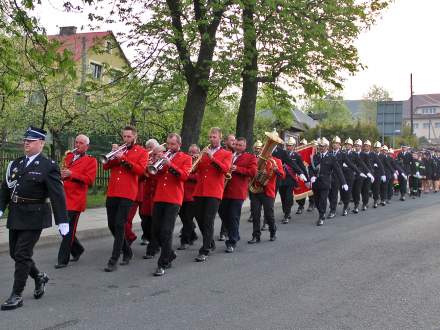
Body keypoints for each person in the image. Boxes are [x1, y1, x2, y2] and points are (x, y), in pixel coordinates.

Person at [0, 127, 69, 311]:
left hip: (35, 215)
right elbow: (5, 188)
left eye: (30, 141)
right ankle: (39, 277)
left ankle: (16, 294)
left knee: (22, 254)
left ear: (41, 143)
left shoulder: (48, 166)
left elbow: (57, 194)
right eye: (25, 141)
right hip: (16, 213)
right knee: (15, 253)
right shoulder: (16, 164)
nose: (26, 143)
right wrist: (0, 208)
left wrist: (63, 220)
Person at [103, 126, 148, 272]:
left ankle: (114, 259)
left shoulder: (141, 152)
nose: (126, 139)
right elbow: (106, 166)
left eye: (129, 137)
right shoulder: (119, 150)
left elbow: (140, 170)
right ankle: (127, 251)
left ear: (135, 137)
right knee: (111, 224)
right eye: (124, 136)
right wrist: (113, 153)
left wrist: (123, 159)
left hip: (128, 193)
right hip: (113, 191)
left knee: (119, 224)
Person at [145, 133, 192, 276]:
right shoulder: (162, 156)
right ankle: (170, 253)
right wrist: (153, 163)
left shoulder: (186, 158)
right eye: (168, 144)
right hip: (159, 197)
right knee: (156, 231)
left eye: (172, 144)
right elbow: (154, 176)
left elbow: (184, 176)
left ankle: (162, 263)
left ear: (179, 145)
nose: (169, 147)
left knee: (166, 231)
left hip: (174, 199)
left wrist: (170, 164)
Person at [55, 134, 97, 268]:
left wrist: (72, 175)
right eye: (76, 142)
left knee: (68, 229)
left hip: (76, 199)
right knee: (63, 229)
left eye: (80, 143)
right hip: (63, 197)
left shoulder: (91, 161)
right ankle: (77, 249)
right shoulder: (69, 156)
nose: (77, 145)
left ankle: (62, 260)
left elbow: (90, 180)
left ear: (87, 146)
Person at [193, 127, 232, 262]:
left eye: (214, 137)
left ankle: (205, 250)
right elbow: (194, 170)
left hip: (214, 191)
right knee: (199, 218)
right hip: (199, 190)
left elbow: (225, 169)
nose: (211, 139)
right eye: (210, 137)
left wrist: (212, 157)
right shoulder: (204, 153)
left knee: (208, 220)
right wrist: (195, 160)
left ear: (220, 138)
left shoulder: (226, 153)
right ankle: (210, 242)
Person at [218, 137, 257, 252]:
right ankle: (234, 234)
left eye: (240, 145)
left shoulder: (250, 157)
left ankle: (232, 242)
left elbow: (253, 172)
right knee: (222, 213)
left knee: (233, 216)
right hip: (224, 190)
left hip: (238, 192)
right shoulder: (228, 154)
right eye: (236, 144)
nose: (238, 147)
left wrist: (237, 168)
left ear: (245, 146)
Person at [248, 147, 285, 243]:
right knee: (255, 214)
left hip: (268, 191)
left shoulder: (276, 161)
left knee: (269, 214)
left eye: (268, 150)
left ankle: (273, 232)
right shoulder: (257, 160)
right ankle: (256, 236)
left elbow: (282, 175)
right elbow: (251, 172)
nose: (265, 151)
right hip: (256, 190)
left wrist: (276, 170)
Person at [309, 138, 347, 226]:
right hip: (316, 182)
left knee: (323, 200)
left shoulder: (331, 157)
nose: (321, 148)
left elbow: (338, 170)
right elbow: (310, 168)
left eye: (323, 146)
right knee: (317, 201)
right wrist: (311, 177)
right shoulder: (315, 156)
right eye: (320, 146)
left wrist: (344, 182)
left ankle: (321, 216)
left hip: (325, 182)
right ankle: (321, 212)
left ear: (327, 147)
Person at [278, 137, 308, 223]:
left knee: (288, 197)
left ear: (294, 146)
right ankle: (286, 212)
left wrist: (307, 179)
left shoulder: (297, 156)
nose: (288, 147)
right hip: (281, 178)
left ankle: (287, 215)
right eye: (287, 145)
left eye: (290, 145)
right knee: (283, 197)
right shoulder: (282, 154)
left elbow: (301, 168)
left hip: (291, 179)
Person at [328, 136, 360, 217]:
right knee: (332, 194)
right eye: (334, 143)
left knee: (345, 193)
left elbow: (351, 164)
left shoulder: (342, 154)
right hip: (332, 177)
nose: (335, 145)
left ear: (339, 145)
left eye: (337, 143)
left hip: (344, 176)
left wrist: (358, 172)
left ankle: (345, 207)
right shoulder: (329, 153)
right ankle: (333, 208)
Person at [178, 144, 200, 250]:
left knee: (187, 218)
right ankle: (193, 235)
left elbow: (198, 177)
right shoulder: (186, 161)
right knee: (183, 217)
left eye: (194, 152)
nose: (192, 154)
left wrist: (186, 175)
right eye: (190, 152)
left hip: (192, 196)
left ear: (198, 153)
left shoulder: (200, 163)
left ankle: (184, 240)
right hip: (182, 195)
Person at [139, 139, 160, 245]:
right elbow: (141, 177)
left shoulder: (161, 159)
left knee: (155, 220)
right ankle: (146, 235)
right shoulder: (146, 159)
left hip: (157, 194)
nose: (150, 150)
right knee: (144, 219)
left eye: (151, 147)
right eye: (148, 147)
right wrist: (145, 168)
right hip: (147, 194)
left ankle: (153, 242)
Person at [218, 134, 236, 241]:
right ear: (225, 142)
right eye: (231, 140)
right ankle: (226, 229)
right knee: (221, 209)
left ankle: (224, 231)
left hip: (232, 185)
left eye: (234, 140)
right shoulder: (222, 152)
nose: (234, 142)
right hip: (221, 183)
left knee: (229, 210)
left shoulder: (237, 153)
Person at [346, 139, 370, 214]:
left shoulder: (364, 155)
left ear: (361, 146)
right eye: (355, 146)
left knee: (363, 190)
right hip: (353, 175)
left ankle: (364, 203)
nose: (357, 147)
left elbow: (367, 165)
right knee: (354, 191)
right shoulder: (351, 154)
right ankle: (356, 204)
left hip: (362, 175)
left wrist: (369, 174)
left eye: (358, 146)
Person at [248, 140, 263, 224]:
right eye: (256, 148)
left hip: (260, 180)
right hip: (251, 180)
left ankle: (256, 213)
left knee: (258, 198)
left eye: (259, 148)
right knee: (252, 198)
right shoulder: (250, 156)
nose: (258, 150)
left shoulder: (263, 158)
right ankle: (252, 213)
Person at [371, 142, 386, 208]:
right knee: (375, 188)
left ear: (380, 148)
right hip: (374, 173)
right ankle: (375, 200)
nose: (377, 149)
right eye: (376, 148)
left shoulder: (383, 156)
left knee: (383, 187)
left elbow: (385, 165)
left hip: (381, 173)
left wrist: (384, 174)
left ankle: (383, 199)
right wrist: (373, 165)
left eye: (378, 148)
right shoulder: (372, 155)